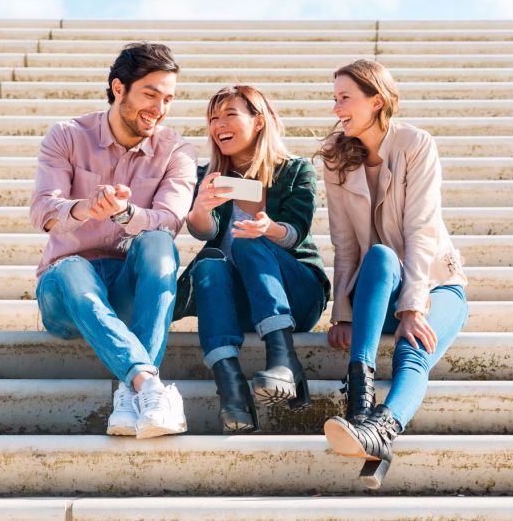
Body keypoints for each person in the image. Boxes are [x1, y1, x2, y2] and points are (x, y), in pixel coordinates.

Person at [30, 42, 197, 439]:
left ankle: (133, 389)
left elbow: (170, 220)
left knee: (159, 244)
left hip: (127, 286)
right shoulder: (67, 136)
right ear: (118, 88)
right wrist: (87, 208)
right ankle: (148, 385)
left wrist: (126, 214)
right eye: (150, 94)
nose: (159, 107)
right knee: (72, 267)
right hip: (65, 293)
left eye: (168, 98)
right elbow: (42, 212)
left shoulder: (176, 150)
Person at [318, 59, 468, 488]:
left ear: (376, 100)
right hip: (378, 286)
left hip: (437, 284)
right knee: (380, 256)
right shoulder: (336, 157)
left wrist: (413, 307)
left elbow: (422, 230)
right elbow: (345, 242)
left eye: (345, 99)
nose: (337, 109)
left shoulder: (416, 144)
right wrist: (342, 313)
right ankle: (359, 395)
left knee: (412, 351)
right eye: (335, 99)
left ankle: (382, 429)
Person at [173, 85, 330, 434]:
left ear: (258, 121)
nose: (219, 125)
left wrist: (268, 228)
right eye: (213, 118)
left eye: (230, 114)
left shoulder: (294, 171)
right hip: (239, 300)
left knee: (247, 242)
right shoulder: (209, 176)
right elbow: (205, 232)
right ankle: (232, 392)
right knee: (210, 264)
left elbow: (296, 231)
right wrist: (198, 209)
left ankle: (283, 357)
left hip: (294, 294)